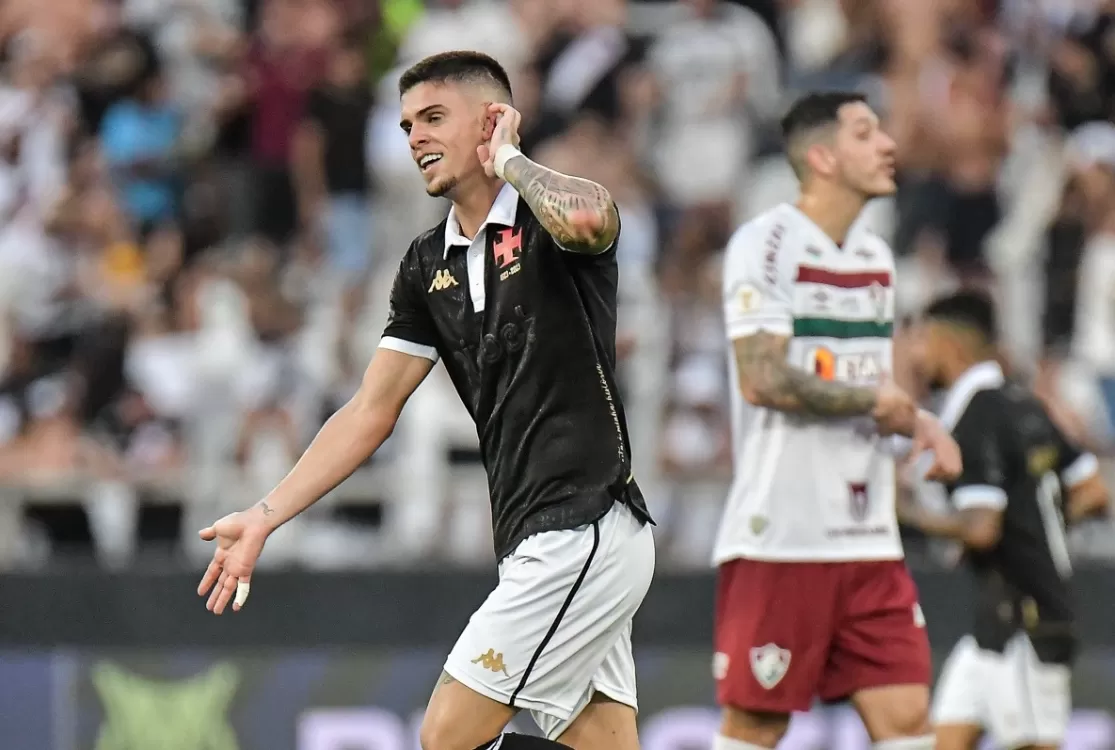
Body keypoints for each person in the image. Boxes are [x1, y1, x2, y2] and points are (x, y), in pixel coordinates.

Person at [194, 50, 655, 750]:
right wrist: (264, 516)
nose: (415, 138)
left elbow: (591, 220)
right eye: (408, 124)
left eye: (434, 118)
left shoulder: (548, 218)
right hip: (532, 535)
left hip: (583, 526)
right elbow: (369, 411)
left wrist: (509, 161)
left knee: (446, 739)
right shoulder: (425, 265)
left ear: (492, 120)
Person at [712, 90, 962, 750]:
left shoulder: (875, 257)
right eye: (865, 132)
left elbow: (870, 382)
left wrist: (919, 422)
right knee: (754, 726)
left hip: (868, 538)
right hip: (782, 536)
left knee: (907, 719)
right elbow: (762, 379)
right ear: (822, 157)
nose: (887, 144)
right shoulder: (765, 244)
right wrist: (872, 404)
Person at [899, 291, 1110, 750]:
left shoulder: (976, 418)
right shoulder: (1023, 404)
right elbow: (1094, 492)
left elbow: (982, 529)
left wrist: (904, 514)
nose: (915, 354)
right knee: (944, 741)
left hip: (1024, 620)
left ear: (946, 343)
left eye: (920, 340)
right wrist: (1035, 527)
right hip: (996, 624)